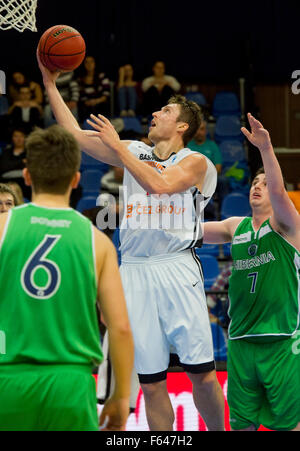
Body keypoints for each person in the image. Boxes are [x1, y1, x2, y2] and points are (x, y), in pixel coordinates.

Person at [37, 49, 225, 432]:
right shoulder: (136, 151)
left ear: (182, 127)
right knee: (152, 383)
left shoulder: (195, 162)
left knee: (202, 374)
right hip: (135, 272)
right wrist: (49, 83)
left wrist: (119, 148)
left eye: (165, 113)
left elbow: (160, 185)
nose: (155, 114)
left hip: (177, 269)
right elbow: (74, 135)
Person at [0, 125, 134, 431]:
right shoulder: (96, 240)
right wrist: (119, 396)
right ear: (75, 180)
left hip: (8, 379)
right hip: (71, 384)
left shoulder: (2, 227)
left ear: (27, 177)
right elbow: (121, 328)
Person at [203, 113, 300, 431]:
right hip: (241, 341)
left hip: (282, 342)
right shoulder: (236, 227)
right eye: (254, 183)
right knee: (242, 425)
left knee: (288, 425)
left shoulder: (288, 225)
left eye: (264, 184)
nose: (258, 187)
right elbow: (193, 231)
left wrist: (266, 149)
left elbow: (279, 193)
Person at [187, 120, 230, 210]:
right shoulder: (187, 146)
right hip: (191, 177)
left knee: (223, 180)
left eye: (201, 129)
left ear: (205, 131)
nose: (199, 132)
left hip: (209, 177)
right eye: (196, 130)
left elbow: (218, 167)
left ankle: (223, 211)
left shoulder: (212, 146)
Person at [77, 56, 111, 123]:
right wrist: (87, 102)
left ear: (95, 63)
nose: (89, 64)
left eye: (91, 62)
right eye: (86, 62)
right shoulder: (80, 80)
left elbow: (106, 94)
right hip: (86, 109)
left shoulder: (102, 76)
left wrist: (96, 101)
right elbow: (81, 97)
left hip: (101, 106)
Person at [0, 128, 31, 200]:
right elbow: (3, 167)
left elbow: (31, 169)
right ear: (12, 138)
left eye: (21, 136)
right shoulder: (6, 152)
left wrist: (11, 165)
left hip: (25, 184)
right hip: (6, 183)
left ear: (25, 137)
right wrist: (21, 162)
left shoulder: (30, 152)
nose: (19, 139)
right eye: (16, 136)